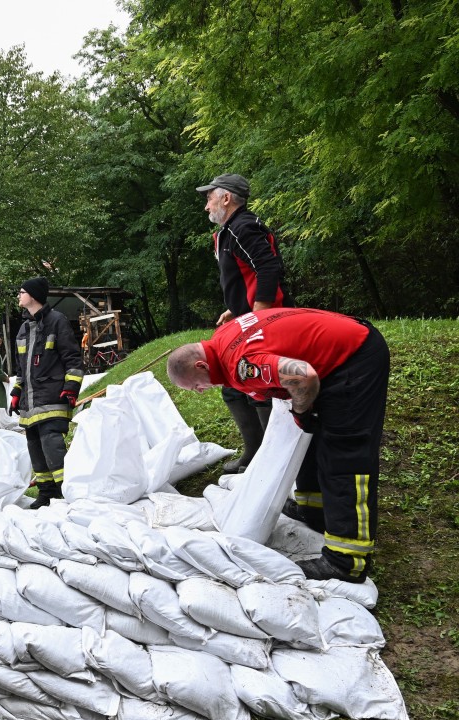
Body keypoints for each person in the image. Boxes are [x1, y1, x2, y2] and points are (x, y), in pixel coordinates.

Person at [166, 308, 389, 583]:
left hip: (354, 358)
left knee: (343, 453)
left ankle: (346, 561)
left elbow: (303, 375)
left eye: (195, 386)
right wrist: (303, 414)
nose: (200, 391)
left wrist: (300, 408)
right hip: (337, 349)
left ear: (201, 366)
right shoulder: (223, 336)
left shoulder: (239, 365)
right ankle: (315, 511)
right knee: (309, 437)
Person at [197, 173, 295, 474]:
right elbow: (244, 276)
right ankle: (255, 452)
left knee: (257, 385)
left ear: (226, 198)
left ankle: (272, 459)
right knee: (232, 387)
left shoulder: (243, 227)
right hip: (246, 318)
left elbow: (268, 268)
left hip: (266, 321)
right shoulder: (228, 232)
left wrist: (259, 314)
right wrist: (235, 309)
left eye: (209, 198)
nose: (206, 206)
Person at [10, 275, 84, 509]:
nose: (19, 296)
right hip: (30, 403)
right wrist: (16, 392)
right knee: (35, 447)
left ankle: (67, 492)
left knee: (51, 444)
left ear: (33, 295)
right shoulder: (23, 328)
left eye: (22, 291)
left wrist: (71, 388)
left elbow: (73, 358)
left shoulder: (57, 321)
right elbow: (21, 368)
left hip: (52, 397)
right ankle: (46, 493)